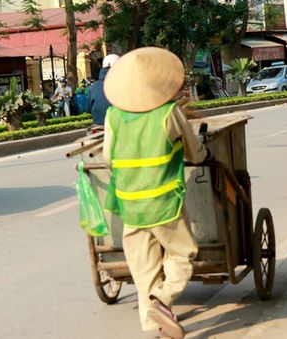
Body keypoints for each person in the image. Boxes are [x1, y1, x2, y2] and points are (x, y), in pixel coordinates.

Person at [102, 47, 210, 339]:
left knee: (144, 268)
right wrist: (202, 150)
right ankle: (161, 301)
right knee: (183, 253)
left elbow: (108, 160)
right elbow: (195, 152)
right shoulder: (169, 113)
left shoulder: (113, 116)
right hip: (164, 204)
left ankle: (156, 327)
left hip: (130, 206)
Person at [86, 54, 120, 126]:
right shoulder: (122, 85)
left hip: (98, 126)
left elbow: (88, 109)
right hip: (118, 126)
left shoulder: (93, 87)